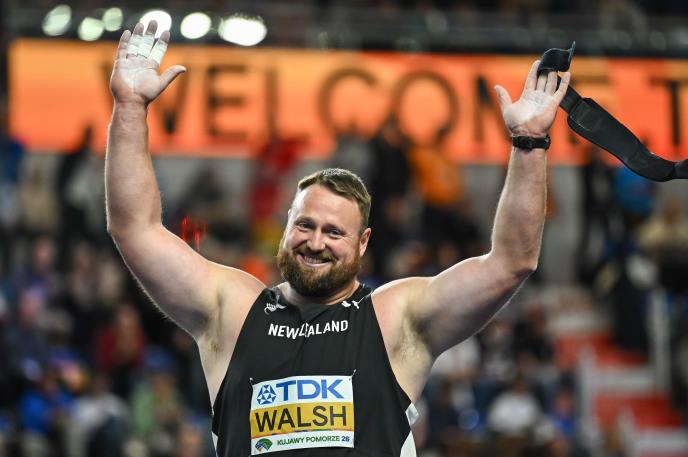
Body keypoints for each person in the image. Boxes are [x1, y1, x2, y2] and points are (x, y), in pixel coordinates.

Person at [105, 21, 570, 457]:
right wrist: (129, 109)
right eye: (305, 225)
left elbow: (511, 262)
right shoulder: (233, 310)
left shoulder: (395, 319)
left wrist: (529, 143)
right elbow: (135, 229)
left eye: (334, 232)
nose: (316, 243)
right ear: (286, 228)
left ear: (363, 243)